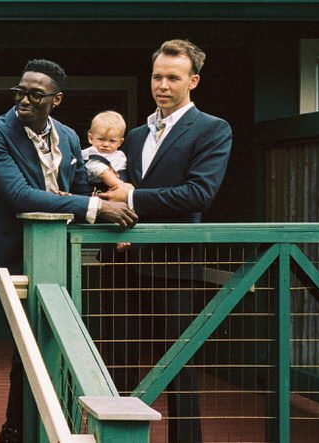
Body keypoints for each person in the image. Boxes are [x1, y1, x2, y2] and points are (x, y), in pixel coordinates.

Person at [0, 59, 136, 443]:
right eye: (19, 92)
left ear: (56, 99)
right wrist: (95, 208)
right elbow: (17, 195)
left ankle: (37, 429)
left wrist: (83, 204)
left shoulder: (65, 135)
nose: (23, 100)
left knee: (50, 349)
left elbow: (79, 187)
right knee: (19, 349)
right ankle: (13, 431)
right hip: (11, 256)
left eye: (35, 94)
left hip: (62, 255)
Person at [98, 39, 232, 443]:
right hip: (124, 263)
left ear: (193, 81)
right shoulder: (135, 134)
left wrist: (131, 197)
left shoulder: (212, 129)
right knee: (119, 366)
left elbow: (199, 194)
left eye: (173, 77)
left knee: (178, 369)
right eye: (157, 76)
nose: (163, 85)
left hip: (175, 266)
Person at [81, 110, 130, 192]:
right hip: (97, 193)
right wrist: (121, 186)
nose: (106, 144)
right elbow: (100, 171)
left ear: (120, 142)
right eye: (101, 139)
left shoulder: (120, 156)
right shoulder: (90, 154)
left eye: (112, 141)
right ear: (90, 138)